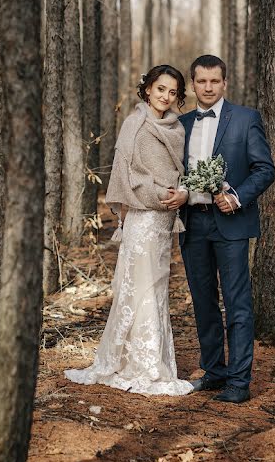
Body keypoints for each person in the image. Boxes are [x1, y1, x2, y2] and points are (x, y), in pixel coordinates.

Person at [64, 64, 194, 396]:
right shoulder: (134, 124)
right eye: (160, 88)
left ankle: (150, 357)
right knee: (141, 286)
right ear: (148, 88)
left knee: (157, 285)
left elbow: (181, 171)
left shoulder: (177, 128)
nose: (166, 96)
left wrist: (180, 193)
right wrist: (154, 194)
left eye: (173, 92)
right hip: (143, 216)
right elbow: (125, 174)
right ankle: (143, 364)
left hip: (166, 219)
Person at [161, 54, 275, 404]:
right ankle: (214, 371)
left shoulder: (245, 119)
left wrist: (237, 196)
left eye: (214, 81)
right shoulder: (179, 124)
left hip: (231, 223)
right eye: (201, 81)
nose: (208, 87)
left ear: (224, 83)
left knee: (237, 303)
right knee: (203, 301)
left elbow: (265, 169)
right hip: (192, 223)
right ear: (193, 84)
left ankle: (239, 383)